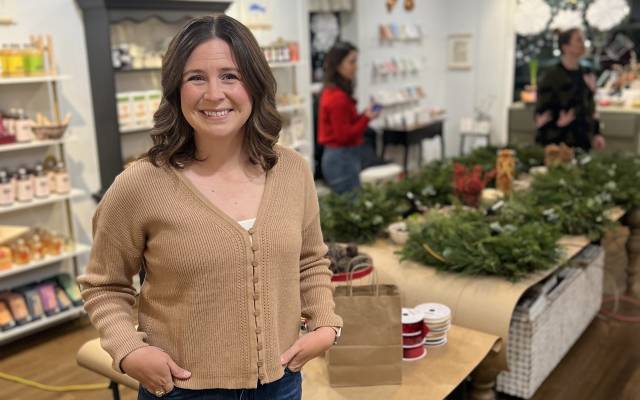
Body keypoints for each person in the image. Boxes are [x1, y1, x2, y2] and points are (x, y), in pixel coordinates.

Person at [78, 15, 342, 400]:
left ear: (254, 84)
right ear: (176, 89)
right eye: (196, 77)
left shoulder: (292, 171)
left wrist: (325, 325)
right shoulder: (140, 185)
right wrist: (129, 349)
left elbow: (310, 261)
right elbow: (104, 285)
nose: (214, 93)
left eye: (231, 76)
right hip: (182, 388)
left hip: (281, 383)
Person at [317, 41, 381, 194]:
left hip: (342, 156)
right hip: (341, 158)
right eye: (351, 62)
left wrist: (363, 116)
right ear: (338, 65)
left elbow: (345, 125)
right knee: (351, 206)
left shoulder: (335, 92)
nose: (356, 67)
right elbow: (343, 136)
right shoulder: (337, 97)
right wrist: (366, 118)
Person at [535, 28, 606, 151]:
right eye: (579, 40)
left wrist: (596, 133)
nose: (583, 43)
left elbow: (591, 105)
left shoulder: (587, 73)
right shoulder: (552, 75)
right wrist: (557, 124)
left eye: (583, 39)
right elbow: (542, 109)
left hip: (582, 139)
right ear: (565, 47)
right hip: (556, 140)